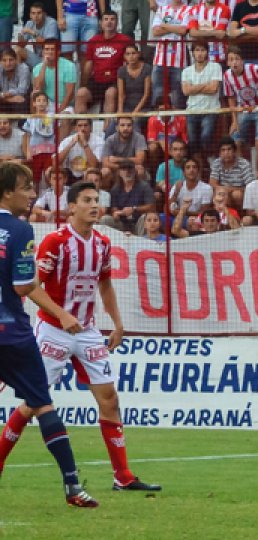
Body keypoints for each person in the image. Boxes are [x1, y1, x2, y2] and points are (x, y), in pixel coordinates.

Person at [13, 180, 163, 492]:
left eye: (97, 199)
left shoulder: (103, 243)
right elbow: (32, 285)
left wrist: (117, 323)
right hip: (53, 330)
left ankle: (122, 476)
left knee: (109, 399)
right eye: (87, 200)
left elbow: (105, 285)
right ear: (71, 207)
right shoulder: (55, 242)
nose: (95, 205)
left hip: (88, 331)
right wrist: (62, 314)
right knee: (32, 402)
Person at [0, 162, 98, 507]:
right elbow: (23, 284)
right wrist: (59, 311)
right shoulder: (20, 230)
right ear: (8, 192)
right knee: (42, 404)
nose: (31, 195)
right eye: (26, 188)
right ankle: (72, 486)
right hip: (11, 333)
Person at [76, 10, 132, 115]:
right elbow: (88, 64)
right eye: (106, 19)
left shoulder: (125, 40)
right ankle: (81, 127)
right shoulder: (93, 41)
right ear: (101, 23)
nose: (109, 22)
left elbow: (129, 63)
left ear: (117, 22)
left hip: (115, 81)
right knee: (81, 93)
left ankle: (107, 130)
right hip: (97, 81)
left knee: (110, 94)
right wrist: (83, 84)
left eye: (112, 19)